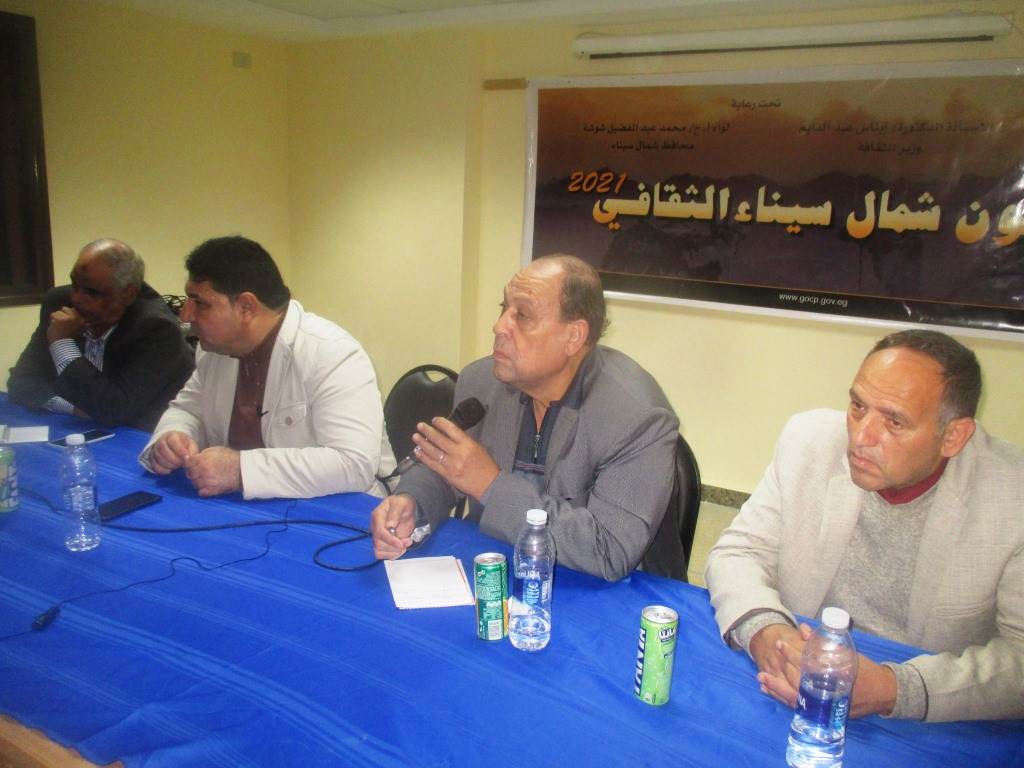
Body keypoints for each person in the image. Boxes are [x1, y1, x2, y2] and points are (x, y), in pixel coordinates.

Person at [705, 329, 1024, 723]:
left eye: (894, 421)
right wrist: (769, 634)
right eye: (858, 406)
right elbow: (738, 553)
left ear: (953, 436)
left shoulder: (1012, 499)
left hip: (925, 715)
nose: (860, 436)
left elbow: (1019, 657)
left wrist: (896, 689)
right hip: (791, 678)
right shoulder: (809, 441)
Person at [371, 254, 682, 582]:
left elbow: (608, 550)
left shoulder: (637, 417)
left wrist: (490, 485)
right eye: (503, 308)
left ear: (574, 337)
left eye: (523, 315)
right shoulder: (482, 381)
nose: (499, 326)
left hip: (602, 590)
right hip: (500, 565)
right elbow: (447, 467)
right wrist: (412, 501)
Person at [138, 235, 395, 499]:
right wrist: (173, 437)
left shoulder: (333, 354)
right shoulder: (215, 350)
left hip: (338, 507)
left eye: (201, 303)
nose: (186, 314)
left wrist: (240, 469)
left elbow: (353, 464)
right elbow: (188, 410)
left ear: (246, 307)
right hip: (244, 502)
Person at [7, 238, 194, 431]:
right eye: (74, 284)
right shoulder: (59, 303)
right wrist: (73, 408)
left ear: (128, 294)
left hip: (138, 437)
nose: (76, 299)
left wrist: (62, 343)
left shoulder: (156, 328)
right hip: (76, 427)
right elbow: (21, 381)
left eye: (92, 292)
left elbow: (113, 409)